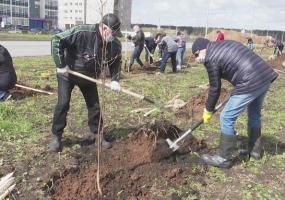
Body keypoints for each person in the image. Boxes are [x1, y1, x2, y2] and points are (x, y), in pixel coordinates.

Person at [192, 38, 278, 168]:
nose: (197, 59)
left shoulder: (210, 57)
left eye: (196, 55)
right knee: (254, 114)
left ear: (201, 49)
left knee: (226, 117)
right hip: (265, 75)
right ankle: (255, 153)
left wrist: (208, 110)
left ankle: (224, 158)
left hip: (250, 81)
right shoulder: (225, 43)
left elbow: (215, 88)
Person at [49, 13, 123, 152]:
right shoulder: (82, 32)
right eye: (113, 33)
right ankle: (56, 137)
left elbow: (116, 63)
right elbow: (57, 39)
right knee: (63, 103)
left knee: (94, 106)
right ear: (104, 28)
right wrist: (60, 64)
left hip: (89, 77)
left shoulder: (114, 44)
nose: (114, 37)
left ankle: (98, 136)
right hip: (68, 73)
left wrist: (115, 80)